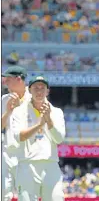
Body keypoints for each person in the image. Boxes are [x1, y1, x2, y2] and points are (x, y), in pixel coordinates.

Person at [9, 76, 65, 201]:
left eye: (42, 88)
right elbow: (19, 137)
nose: (39, 92)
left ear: (47, 91)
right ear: (29, 90)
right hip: (27, 164)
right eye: (35, 88)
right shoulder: (18, 112)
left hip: (50, 164)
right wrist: (39, 124)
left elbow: (59, 139)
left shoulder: (57, 112)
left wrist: (49, 120)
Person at [1, 66, 31, 201]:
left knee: (26, 195)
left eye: (8, 79)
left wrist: (18, 109)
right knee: (3, 194)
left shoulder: (33, 99)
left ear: (19, 79)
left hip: (27, 154)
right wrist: (8, 111)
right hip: (7, 152)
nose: (5, 82)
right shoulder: (4, 99)